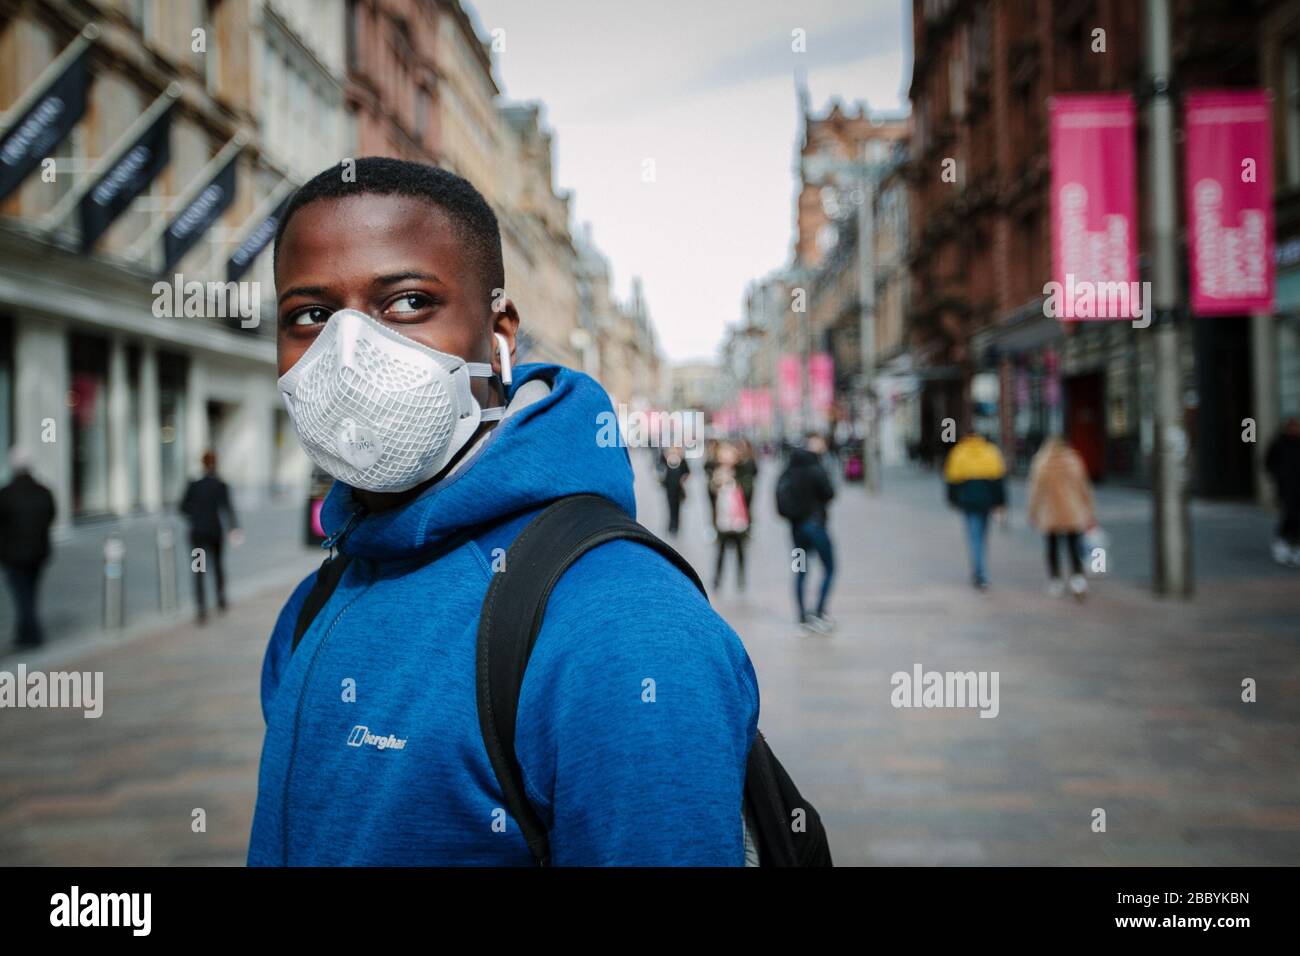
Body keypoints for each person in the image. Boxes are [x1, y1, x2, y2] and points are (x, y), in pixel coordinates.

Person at [248, 158, 758, 866]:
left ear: (499, 336)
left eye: (405, 303)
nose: (349, 352)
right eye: (311, 315)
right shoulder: (316, 602)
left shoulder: (624, 627)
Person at [776, 433, 836, 633]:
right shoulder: (816, 469)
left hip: (796, 531)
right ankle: (819, 612)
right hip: (816, 527)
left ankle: (802, 616)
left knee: (800, 571)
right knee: (829, 567)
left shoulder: (787, 471)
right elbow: (829, 493)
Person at [0, 447, 57, 648]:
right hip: (38, 552)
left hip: (14, 554)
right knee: (29, 592)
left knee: (22, 594)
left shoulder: (5, 494)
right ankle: (24, 632)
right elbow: (51, 516)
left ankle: (32, 634)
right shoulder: (44, 491)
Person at [1026, 436, 1095, 598]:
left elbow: (1035, 491)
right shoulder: (1073, 461)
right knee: (1074, 547)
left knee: (1052, 548)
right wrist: (1090, 511)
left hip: (1050, 513)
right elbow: (1084, 488)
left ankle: (1055, 581)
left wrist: (1033, 512)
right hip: (1072, 511)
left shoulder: (1041, 462)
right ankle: (1077, 579)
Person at [179, 450, 241, 623]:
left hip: (198, 533)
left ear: (202, 463)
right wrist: (234, 528)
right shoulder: (220, 484)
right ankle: (220, 600)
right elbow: (227, 508)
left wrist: (195, 516)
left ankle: (201, 607)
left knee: (199, 569)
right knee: (218, 566)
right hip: (215, 533)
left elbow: (182, 507)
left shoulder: (194, 485)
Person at [943, 429, 1007, 590]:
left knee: (974, 536)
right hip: (987, 502)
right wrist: (1000, 502)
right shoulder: (991, 452)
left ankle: (979, 573)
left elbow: (951, 480)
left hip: (968, 502)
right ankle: (981, 571)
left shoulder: (959, 453)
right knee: (983, 536)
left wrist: (952, 500)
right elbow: (998, 481)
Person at [711, 442, 750, 592]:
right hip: (723, 519)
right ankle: (717, 579)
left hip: (740, 520)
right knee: (720, 550)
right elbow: (710, 495)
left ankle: (741, 578)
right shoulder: (715, 472)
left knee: (741, 550)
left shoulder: (742, 472)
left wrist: (733, 482)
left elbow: (749, 491)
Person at [1265, 417, 1300, 566]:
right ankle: (1282, 544)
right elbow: (1269, 462)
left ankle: (1292, 547)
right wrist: (1279, 476)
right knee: (1290, 515)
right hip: (1287, 487)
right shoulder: (1279, 443)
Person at [657, 446, 690, 536]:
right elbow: (660, 467)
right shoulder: (666, 459)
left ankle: (675, 526)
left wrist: (682, 481)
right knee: (670, 506)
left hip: (678, 489)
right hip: (669, 488)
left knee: (677, 508)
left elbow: (687, 472)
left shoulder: (682, 461)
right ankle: (671, 525)